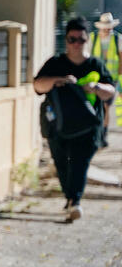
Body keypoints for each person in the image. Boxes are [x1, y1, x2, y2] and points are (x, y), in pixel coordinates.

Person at [34, 17, 116, 221]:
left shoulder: (95, 64)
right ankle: (70, 198)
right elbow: (37, 85)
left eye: (81, 39)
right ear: (67, 41)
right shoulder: (56, 63)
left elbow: (110, 90)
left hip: (88, 128)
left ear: (87, 40)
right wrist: (58, 81)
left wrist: (96, 88)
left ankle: (75, 201)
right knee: (62, 165)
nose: (77, 44)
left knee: (79, 163)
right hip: (58, 128)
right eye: (72, 39)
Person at [91, 12, 122, 142]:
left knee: (106, 106)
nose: (107, 30)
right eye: (105, 28)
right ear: (101, 27)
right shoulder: (92, 38)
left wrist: (120, 79)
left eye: (109, 27)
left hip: (112, 79)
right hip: (95, 78)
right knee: (96, 107)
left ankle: (103, 134)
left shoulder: (117, 38)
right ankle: (96, 132)